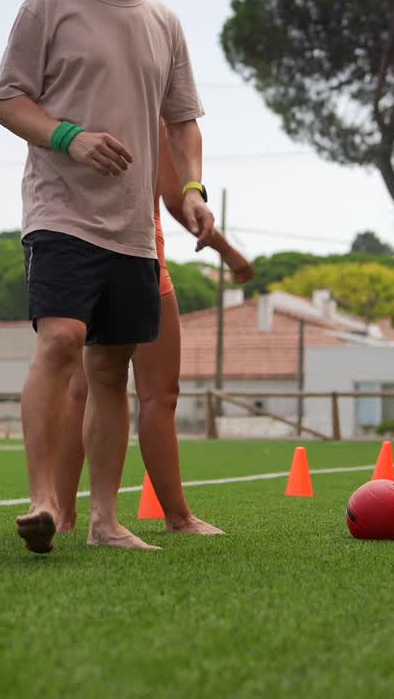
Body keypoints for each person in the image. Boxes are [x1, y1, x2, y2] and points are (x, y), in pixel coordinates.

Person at [0, 0, 213, 553]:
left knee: (111, 372)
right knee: (62, 341)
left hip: (135, 230)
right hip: (60, 213)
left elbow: (183, 121)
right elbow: (8, 101)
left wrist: (192, 190)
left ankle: (105, 522)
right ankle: (43, 501)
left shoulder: (164, 21)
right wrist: (70, 137)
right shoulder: (49, 4)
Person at [54, 122, 253, 535]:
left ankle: (177, 517)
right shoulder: (78, 98)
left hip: (145, 256)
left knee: (159, 392)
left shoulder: (154, 114)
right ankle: (62, 513)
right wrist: (232, 255)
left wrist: (229, 253)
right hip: (81, 250)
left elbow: (174, 195)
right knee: (81, 390)